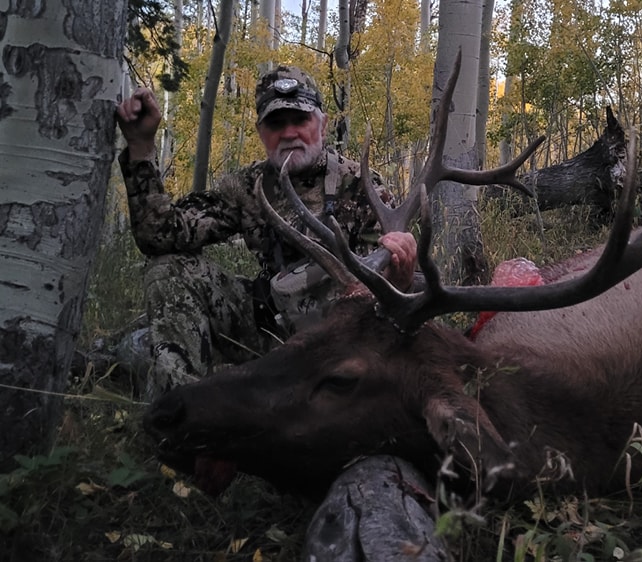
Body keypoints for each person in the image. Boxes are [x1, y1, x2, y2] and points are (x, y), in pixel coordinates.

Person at [115, 66, 416, 400]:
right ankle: (181, 407)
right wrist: (141, 148)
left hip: (338, 338)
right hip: (267, 326)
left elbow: (384, 289)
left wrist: (400, 275)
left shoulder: (363, 187)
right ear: (261, 132)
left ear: (323, 125)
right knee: (169, 268)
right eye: (276, 123)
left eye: (300, 120)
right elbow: (160, 235)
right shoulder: (247, 186)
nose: (288, 133)